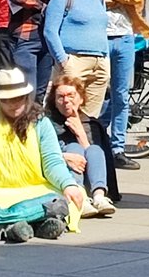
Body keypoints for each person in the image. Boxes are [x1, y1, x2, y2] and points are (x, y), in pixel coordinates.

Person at [0, 65, 88, 242]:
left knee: (75, 194)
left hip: (36, 189)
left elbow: (52, 162)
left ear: (26, 97)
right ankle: (36, 222)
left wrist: (67, 184)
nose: (12, 104)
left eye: (17, 98)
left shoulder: (42, 123)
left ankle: (2, 224)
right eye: (6, 100)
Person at [92, 0, 149, 168]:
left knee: (121, 95)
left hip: (125, 36)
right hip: (97, 37)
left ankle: (117, 148)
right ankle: (90, 138)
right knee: (93, 94)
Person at [43, 0, 114, 116]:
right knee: (66, 113)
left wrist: (105, 60)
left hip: (100, 64)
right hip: (74, 62)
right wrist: (64, 62)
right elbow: (50, 31)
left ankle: (85, 143)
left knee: (90, 118)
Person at [46, 72, 118, 218]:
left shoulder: (91, 124)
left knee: (95, 149)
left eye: (71, 95)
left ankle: (99, 196)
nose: (66, 100)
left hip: (88, 175)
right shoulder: (46, 122)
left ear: (81, 98)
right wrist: (63, 156)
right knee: (74, 148)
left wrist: (79, 132)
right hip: (59, 175)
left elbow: (93, 156)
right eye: (61, 96)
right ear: (54, 100)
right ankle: (80, 198)